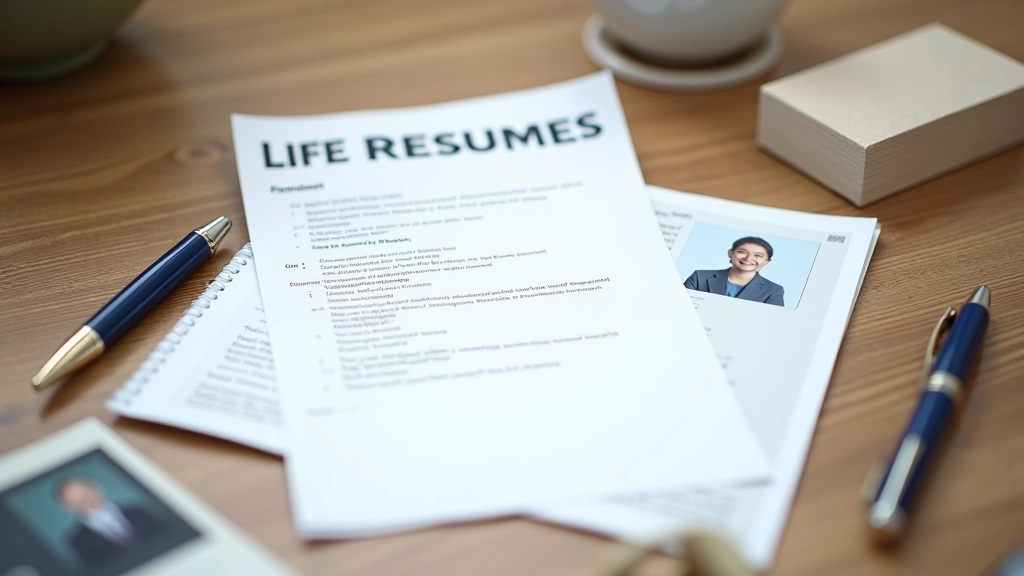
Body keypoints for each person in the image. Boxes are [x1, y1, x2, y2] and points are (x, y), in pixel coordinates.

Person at [56, 476, 166, 566]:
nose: (86, 499)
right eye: (76, 499)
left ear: (96, 487)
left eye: (85, 492)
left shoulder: (138, 511)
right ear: (67, 506)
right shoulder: (78, 541)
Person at [684, 236, 785, 306]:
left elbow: (772, 321)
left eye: (758, 255)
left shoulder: (774, 291)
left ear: (767, 261)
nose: (749, 258)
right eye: (742, 252)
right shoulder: (700, 277)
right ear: (730, 253)